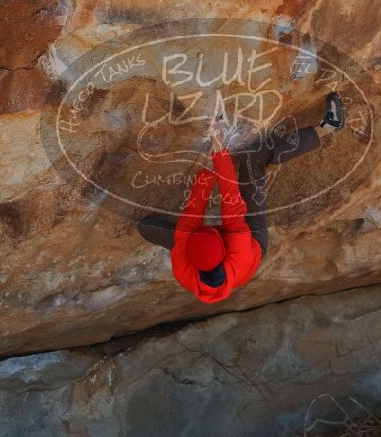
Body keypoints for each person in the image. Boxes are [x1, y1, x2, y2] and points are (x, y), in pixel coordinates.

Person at [138, 93, 346, 303]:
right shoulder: (238, 249)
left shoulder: (183, 267)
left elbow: (193, 211)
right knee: (254, 158)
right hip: (252, 242)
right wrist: (218, 149)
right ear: (222, 243)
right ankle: (328, 126)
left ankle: (199, 245)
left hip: (205, 248)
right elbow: (231, 198)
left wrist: (206, 174)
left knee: (146, 227)